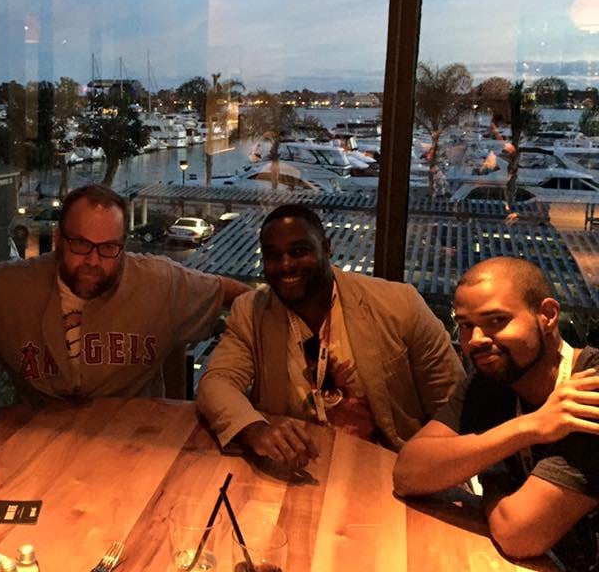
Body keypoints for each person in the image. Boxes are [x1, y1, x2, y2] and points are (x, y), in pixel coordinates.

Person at [196, 204, 464, 468]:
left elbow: (452, 402)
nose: (286, 264)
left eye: (299, 251)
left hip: (387, 468)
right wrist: (255, 429)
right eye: (273, 255)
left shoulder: (399, 305)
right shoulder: (251, 311)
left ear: (326, 247)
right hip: (296, 467)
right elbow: (217, 382)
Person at [394, 257, 599, 567]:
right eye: (466, 325)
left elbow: (518, 533)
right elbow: (408, 473)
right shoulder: (492, 381)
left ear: (547, 315)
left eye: (497, 321)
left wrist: (491, 478)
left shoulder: (589, 391)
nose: (476, 340)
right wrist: (529, 428)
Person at [0, 184, 251, 402]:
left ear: (123, 246)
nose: (93, 261)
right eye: (80, 244)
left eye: (108, 248)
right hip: (38, 447)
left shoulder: (159, 282)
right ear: (58, 240)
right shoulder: (7, 288)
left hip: (133, 444)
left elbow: (240, 298)